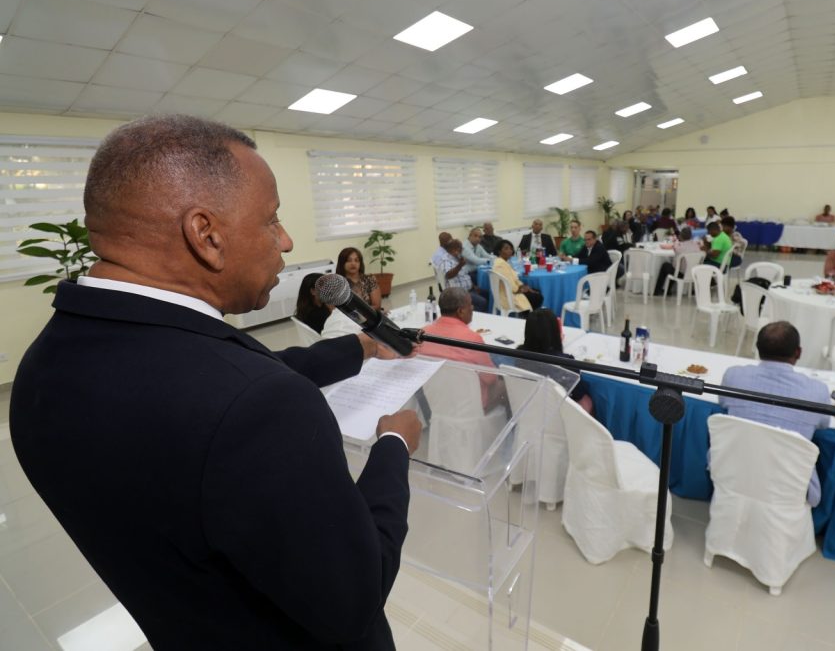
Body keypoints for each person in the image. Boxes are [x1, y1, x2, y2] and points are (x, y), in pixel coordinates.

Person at [9, 115, 422, 650]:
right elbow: (355, 597)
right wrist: (393, 447)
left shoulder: (42, 370)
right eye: (271, 220)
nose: (287, 240)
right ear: (206, 235)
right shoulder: (257, 407)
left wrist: (360, 347)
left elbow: (222, 376)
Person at [719, 322, 833, 506]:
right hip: (790, 483)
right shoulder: (817, 391)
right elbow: (823, 425)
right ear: (798, 352)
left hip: (734, 469)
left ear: (757, 349)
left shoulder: (733, 376)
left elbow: (723, 403)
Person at [418, 287, 503, 409]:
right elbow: (490, 379)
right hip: (471, 405)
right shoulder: (472, 339)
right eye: (470, 305)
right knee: (507, 386)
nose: (472, 308)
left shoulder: (423, 333)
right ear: (460, 311)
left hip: (437, 403)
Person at [516, 308, 594, 414]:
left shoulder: (518, 355)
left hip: (528, 409)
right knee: (586, 400)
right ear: (555, 332)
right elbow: (578, 393)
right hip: (557, 414)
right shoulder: (565, 362)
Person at [491, 239, 543, 313]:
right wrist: (521, 289)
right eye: (506, 248)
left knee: (536, 291)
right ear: (499, 251)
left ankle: (529, 315)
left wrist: (523, 286)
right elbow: (510, 285)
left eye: (510, 248)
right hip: (508, 296)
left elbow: (513, 280)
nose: (510, 251)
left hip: (508, 292)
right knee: (537, 297)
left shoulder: (502, 262)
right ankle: (528, 317)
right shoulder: (500, 265)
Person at [437, 238, 488, 313]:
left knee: (488, 294)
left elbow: (465, 275)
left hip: (469, 289)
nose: (462, 250)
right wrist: (460, 265)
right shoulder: (446, 260)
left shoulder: (457, 258)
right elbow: (448, 275)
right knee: (482, 302)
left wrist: (474, 286)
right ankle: (472, 318)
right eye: (460, 248)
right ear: (453, 249)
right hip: (458, 293)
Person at [653, 226, 705, 294]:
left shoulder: (679, 247)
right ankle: (668, 290)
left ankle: (658, 290)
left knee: (666, 266)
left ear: (681, 236)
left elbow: (675, 264)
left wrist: (676, 242)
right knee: (674, 267)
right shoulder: (697, 245)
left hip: (682, 273)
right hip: (693, 272)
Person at [337, 246, 381, 310]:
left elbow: (377, 306)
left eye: (356, 260)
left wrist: (360, 314)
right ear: (342, 263)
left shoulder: (369, 279)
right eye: (349, 260)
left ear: (360, 263)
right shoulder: (338, 283)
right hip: (346, 318)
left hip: (370, 315)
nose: (353, 263)